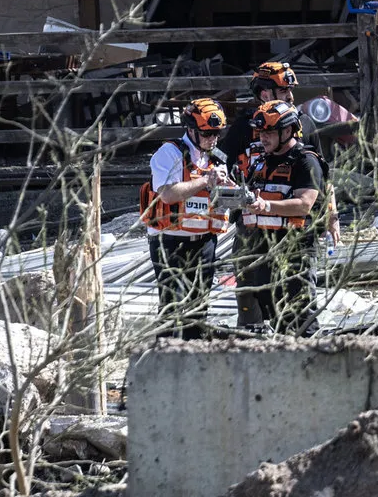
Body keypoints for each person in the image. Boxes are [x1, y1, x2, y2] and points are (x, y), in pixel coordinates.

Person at [138, 97, 232, 339]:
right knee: (173, 305)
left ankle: (195, 358)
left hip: (204, 240)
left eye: (217, 133)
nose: (213, 138)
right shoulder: (168, 153)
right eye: (207, 133)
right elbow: (168, 194)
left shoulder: (216, 156)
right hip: (169, 240)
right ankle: (165, 359)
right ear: (191, 129)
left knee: (199, 306)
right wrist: (205, 180)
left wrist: (230, 189)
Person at [235, 99, 326, 335]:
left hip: (296, 249)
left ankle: (309, 359)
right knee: (274, 313)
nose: (262, 137)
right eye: (260, 132)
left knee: (299, 314)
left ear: (287, 131)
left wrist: (266, 206)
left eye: (269, 132)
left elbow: (304, 204)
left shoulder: (306, 161)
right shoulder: (261, 161)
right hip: (266, 248)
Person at [222, 60, 298, 168]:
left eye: (291, 90)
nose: (290, 97)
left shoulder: (304, 121)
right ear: (265, 96)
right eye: (283, 91)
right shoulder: (243, 126)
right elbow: (224, 163)